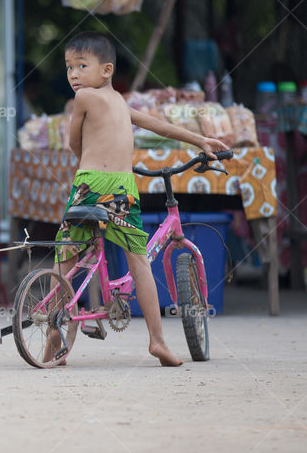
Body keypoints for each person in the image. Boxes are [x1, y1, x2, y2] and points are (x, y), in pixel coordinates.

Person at [50, 31, 229, 367]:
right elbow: (157, 126)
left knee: (67, 256)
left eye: (81, 66)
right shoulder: (100, 98)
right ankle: (157, 341)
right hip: (120, 188)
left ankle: (52, 338)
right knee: (139, 261)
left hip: (89, 184)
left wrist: (200, 139)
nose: (73, 74)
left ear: (106, 70)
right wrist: (199, 140)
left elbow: (76, 143)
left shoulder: (107, 101)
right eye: (69, 67)